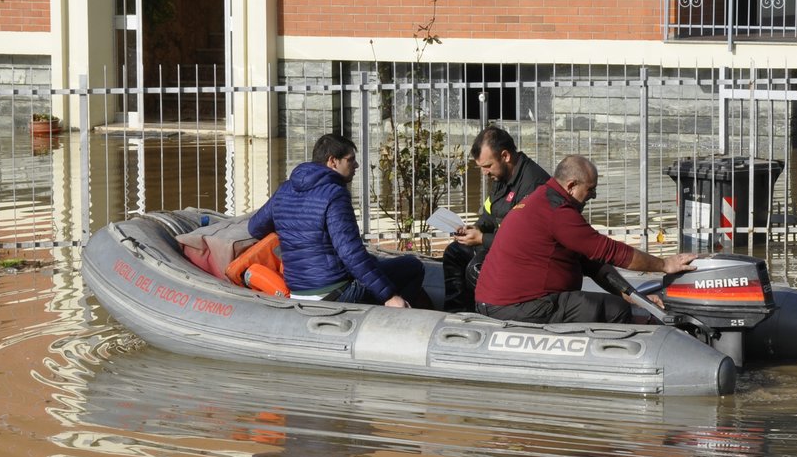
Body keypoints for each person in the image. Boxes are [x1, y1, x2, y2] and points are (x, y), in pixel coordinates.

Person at [474, 154, 697, 324]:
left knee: (616, 303)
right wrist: (664, 265)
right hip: (516, 306)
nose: (594, 196)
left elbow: (593, 263)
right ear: (571, 186)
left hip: (503, 302)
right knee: (614, 310)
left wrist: (634, 296)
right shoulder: (557, 213)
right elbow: (610, 251)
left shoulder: (543, 199)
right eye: (590, 189)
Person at [248, 133, 430, 308]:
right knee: (412, 266)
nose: (357, 165)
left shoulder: (284, 190)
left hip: (298, 290)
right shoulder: (335, 195)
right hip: (334, 292)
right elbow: (350, 253)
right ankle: (396, 321)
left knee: (374, 263)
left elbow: (255, 227)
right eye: (350, 160)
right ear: (332, 161)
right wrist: (389, 296)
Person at [441, 126, 550, 312]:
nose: (484, 173)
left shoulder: (534, 185)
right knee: (455, 252)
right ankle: (457, 314)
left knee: (477, 269)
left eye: (487, 166)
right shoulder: (502, 177)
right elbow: (490, 214)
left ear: (505, 156)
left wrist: (482, 239)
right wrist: (473, 229)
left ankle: (488, 314)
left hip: (526, 256)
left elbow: (524, 240)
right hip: (501, 244)